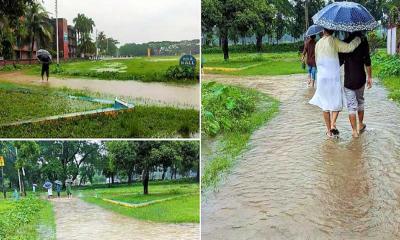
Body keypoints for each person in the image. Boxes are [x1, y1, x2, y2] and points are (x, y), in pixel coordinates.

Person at [309, 28, 361, 138]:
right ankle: (333, 124)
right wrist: (357, 39)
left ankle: (329, 131)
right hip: (333, 76)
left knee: (325, 105)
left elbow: (317, 60)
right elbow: (349, 48)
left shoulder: (318, 44)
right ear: (333, 30)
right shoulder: (334, 41)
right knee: (336, 101)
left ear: (323, 31)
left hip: (322, 77)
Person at [339, 31, 372, 138]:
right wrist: (369, 77)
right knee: (360, 101)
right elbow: (367, 60)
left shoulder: (344, 42)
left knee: (351, 106)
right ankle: (360, 124)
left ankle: (354, 131)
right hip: (360, 78)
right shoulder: (363, 41)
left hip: (348, 80)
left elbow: (339, 62)